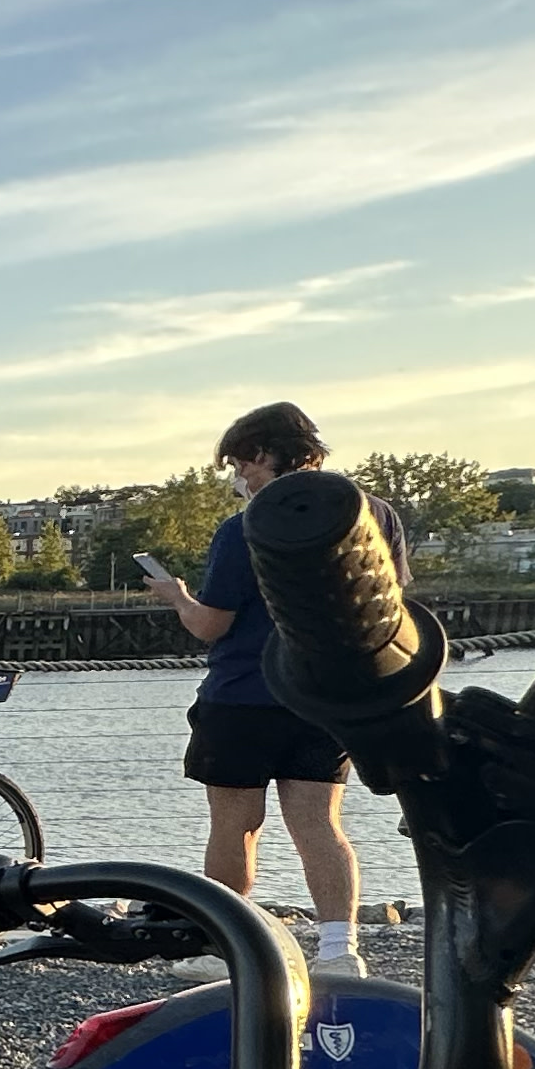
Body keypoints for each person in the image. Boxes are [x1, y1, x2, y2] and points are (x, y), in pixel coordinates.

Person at [142, 401, 384, 973]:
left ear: (265, 454)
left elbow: (211, 624)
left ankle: (228, 950)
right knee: (321, 824)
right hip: (324, 697)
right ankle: (338, 951)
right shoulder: (371, 516)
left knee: (235, 825)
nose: (241, 479)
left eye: (243, 466)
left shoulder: (246, 527)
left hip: (243, 694)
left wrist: (176, 595)